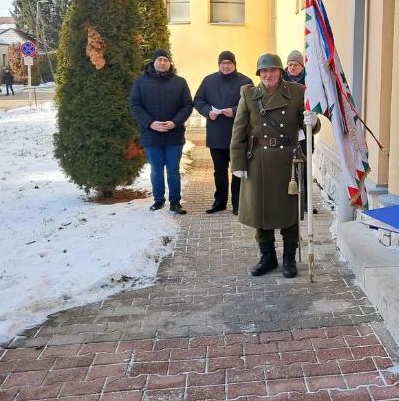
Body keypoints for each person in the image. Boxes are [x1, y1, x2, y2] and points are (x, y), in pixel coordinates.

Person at [230, 53, 320, 278]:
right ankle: (267, 257)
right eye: (264, 71)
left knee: (288, 212)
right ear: (259, 73)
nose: (268, 75)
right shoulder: (249, 94)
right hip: (258, 160)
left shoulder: (297, 92)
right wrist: (238, 162)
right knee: (261, 210)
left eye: (273, 70)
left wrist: (314, 122)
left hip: (288, 161)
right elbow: (238, 130)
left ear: (281, 72)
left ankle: (289, 258)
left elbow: (305, 123)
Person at [129, 48, 193, 215]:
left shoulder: (180, 82)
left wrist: (174, 122)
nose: (163, 63)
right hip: (151, 135)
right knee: (156, 169)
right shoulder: (141, 82)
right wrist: (150, 123)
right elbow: (135, 105)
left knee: (173, 169)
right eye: (160, 60)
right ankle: (158, 200)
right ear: (153, 62)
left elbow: (187, 105)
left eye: (166, 60)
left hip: (174, 134)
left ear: (170, 62)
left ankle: (175, 202)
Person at [194, 51, 252, 215]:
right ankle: (219, 202)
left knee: (238, 171)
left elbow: (252, 103)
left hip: (238, 134)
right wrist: (207, 111)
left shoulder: (245, 82)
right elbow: (198, 100)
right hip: (216, 133)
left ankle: (238, 204)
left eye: (229, 63)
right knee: (219, 170)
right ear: (218, 64)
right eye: (223, 63)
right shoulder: (208, 80)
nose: (226, 66)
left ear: (235, 64)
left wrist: (234, 111)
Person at [282, 50, 317, 214]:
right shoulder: (280, 79)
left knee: (304, 168)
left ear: (302, 66)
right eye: (290, 64)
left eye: (295, 65)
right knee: (286, 168)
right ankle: (287, 203)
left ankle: (306, 204)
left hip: (303, 131)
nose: (292, 67)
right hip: (285, 132)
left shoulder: (310, 80)